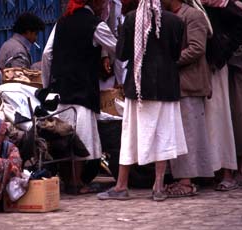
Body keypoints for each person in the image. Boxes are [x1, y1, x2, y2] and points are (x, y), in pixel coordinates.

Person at [97, 0, 187, 201]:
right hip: (166, 87)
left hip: (138, 87)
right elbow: (175, 54)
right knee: (163, 135)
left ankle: (121, 186)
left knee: (129, 137)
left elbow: (122, 54)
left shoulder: (130, 19)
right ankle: (158, 187)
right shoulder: (175, 21)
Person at [41, 0, 117, 194]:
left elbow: (47, 54)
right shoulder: (95, 24)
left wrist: (47, 85)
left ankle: (69, 181)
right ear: (97, 4)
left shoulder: (62, 22)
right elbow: (118, 48)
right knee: (82, 138)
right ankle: (77, 183)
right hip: (82, 90)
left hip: (60, 90)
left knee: (64, 136)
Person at [161, 0, 215, 197]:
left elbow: (197, 47)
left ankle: (187, 181)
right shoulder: (169, 16)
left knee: (189, 134)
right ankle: (182, 178)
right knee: (180, 133)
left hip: (190, 83)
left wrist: (168, 62)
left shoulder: (193, 16)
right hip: (175, 85)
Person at [203, 0, 242, 191]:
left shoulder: (227, 5)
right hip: (214, 68)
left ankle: (230, 171)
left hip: (228, 70)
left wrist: (222, 55)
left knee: (228, 118)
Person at [227, 0, 242, 185]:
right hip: (238, 68)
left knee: (240, 118)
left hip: (240, 70)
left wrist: (223, 58)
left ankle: (237, 170)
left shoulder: (237, 8)